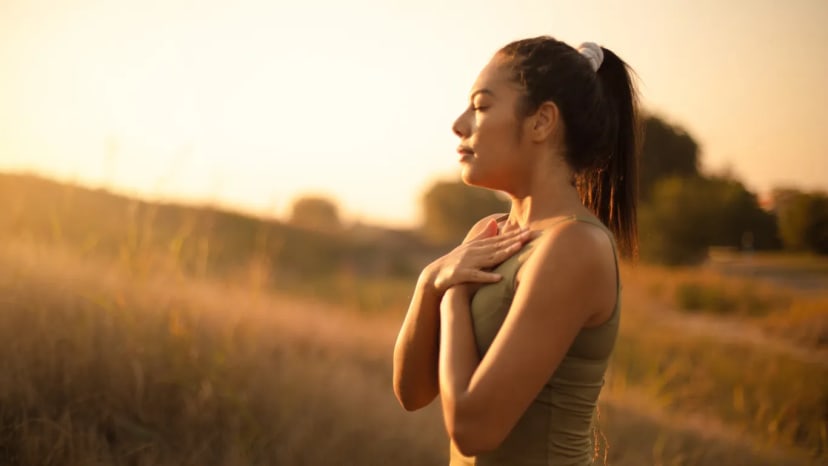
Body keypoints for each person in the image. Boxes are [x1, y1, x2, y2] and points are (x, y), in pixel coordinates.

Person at [392, 36, 639, 466]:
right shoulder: (487, 234)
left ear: (542, 122)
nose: (459, 124)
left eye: (481, 106)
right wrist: (429, 282)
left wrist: (453, 295)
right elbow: (412, 393)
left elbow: (473, 429)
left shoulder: (574, 244)